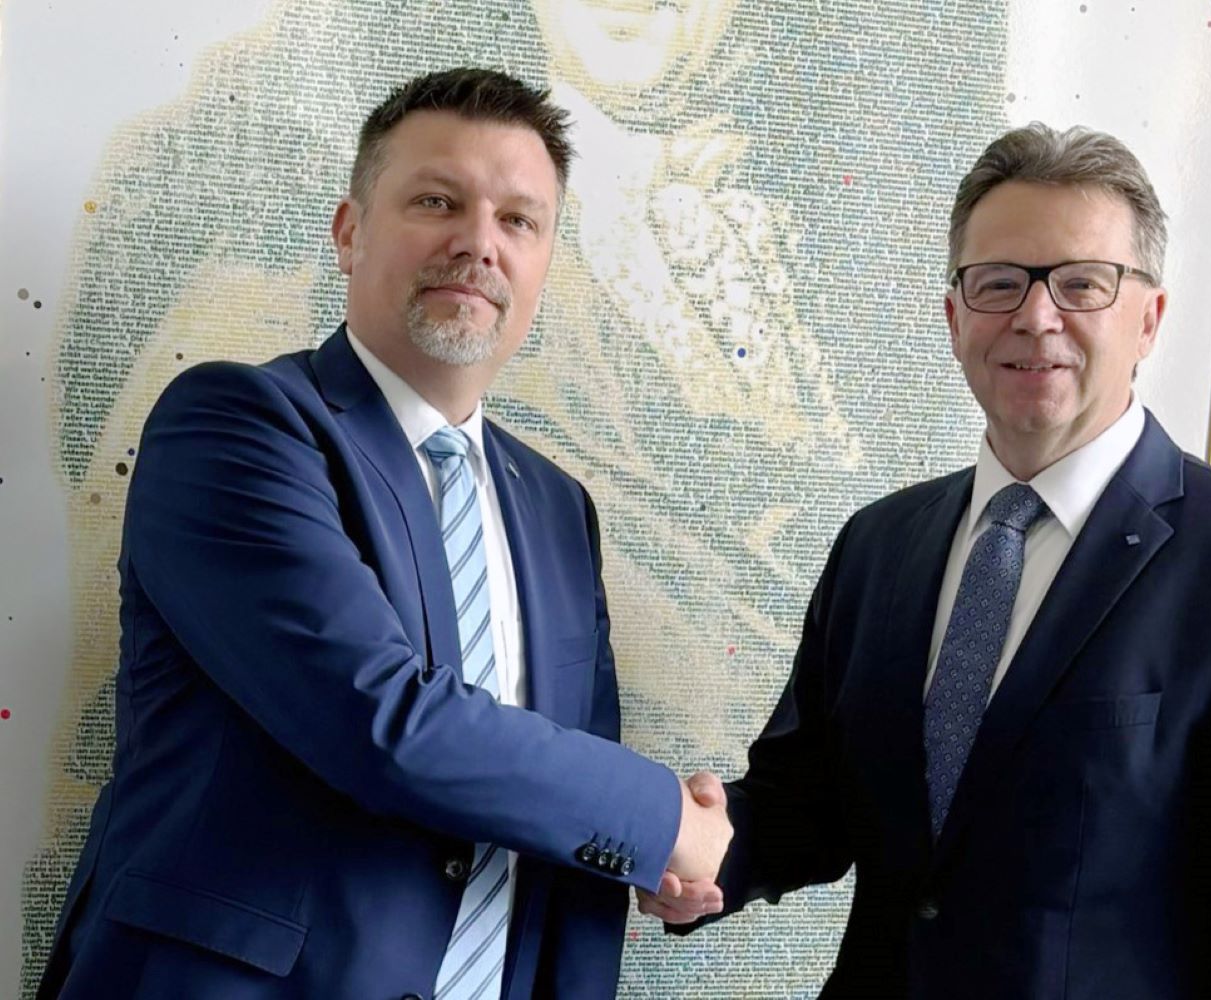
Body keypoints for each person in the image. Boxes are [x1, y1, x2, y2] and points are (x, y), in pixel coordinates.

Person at [640, 123, 1211, 998]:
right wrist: (682, 847)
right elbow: (801, 804)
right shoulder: (879, 546)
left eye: (1082, 284)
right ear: (955, 317)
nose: (1036, 318)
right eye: (999, 283)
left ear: (1149, 319)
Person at [37, 68, 731, 1000]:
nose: (478, 243)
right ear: (349, 232)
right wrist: (660, 820)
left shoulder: (559, 507)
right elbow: (379, 721)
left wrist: (653, 860)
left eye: (518, 220)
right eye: (437, 201)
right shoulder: (236, 424)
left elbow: (561, 795)